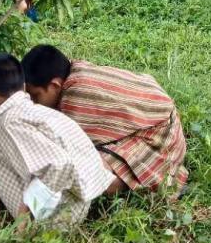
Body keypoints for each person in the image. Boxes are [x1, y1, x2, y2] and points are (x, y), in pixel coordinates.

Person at [0, 53, 112, 231]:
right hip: (81, 205)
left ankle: (1, 234)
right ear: (23, 86)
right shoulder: (42, 112)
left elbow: (58, 165)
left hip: (58, 217)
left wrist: (24, 218)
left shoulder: (10, 121)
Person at [21, 45, 188, 195]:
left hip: (161, 134)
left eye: (35, 96)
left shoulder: (76, 97)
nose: (32, 102)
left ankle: (159, 182)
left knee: (92, 174)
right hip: (152, 114)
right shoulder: (73, 70)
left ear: (55, 86)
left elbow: (67, 149)